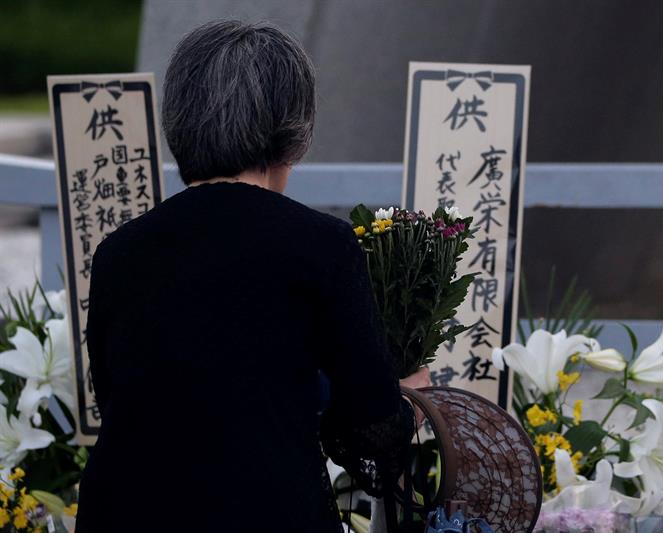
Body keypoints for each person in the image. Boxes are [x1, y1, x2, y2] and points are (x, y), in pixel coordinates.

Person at [75, 20, 426, 533]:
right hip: (266, 510)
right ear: (294, 128)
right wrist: (411, 406)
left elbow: (118, 398)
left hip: (125, 511)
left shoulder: (119, 252)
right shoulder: (320, 244)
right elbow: (369, 430)